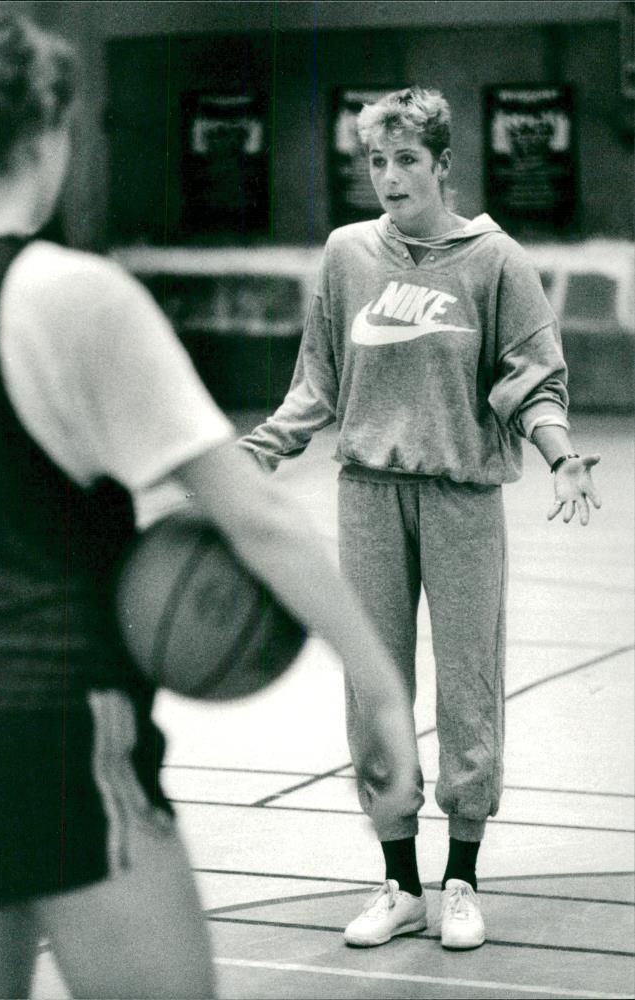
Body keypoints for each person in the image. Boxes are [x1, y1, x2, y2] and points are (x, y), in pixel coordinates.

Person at [0, 13, 421, 999]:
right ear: (49, 133)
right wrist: (384, 693)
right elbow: (258, 519)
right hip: (57, 740)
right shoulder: (66, 296)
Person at [239, 86, 602, 951]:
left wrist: (560, 453)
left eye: (406, 160)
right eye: (376, 160)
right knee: (376, 685)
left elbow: (530, 378)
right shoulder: (345, 253)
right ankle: (399, 882)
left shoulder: (493, 261)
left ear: (443, 164)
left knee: (469, 683)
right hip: (366, 490)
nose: (390, 177)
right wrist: (255, 451)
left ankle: (462, 875)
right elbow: (315, 382)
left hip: (461, 495)